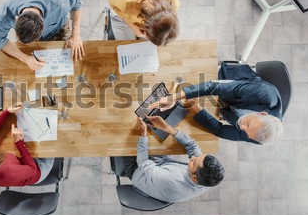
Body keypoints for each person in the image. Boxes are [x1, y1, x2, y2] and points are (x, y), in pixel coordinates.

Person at [149, 76, 284, 144]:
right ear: (262, 113)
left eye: (246, 131)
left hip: (228, 108)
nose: (241, 127)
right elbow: (213, 87)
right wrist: (174, 97)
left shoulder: (256, 134)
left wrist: (198, 110)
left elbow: (220, 130)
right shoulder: (262, 93)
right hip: (239, 87)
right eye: (247, 124)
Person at [121, 116, 224, 203]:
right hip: (161, 166)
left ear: (194, 178)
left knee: (125, 133)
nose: (193, 157)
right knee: (159, 133)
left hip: (137, 170)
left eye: (193, 162)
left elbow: (143, 163)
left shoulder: (169, 181)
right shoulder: (206, 180)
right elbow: (192, 146)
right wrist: (167, 128)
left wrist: (143, 134)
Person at [0, 0, 84, 71]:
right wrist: (26, 59)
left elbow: (77, 0)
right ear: (16, 19)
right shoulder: (4, 14)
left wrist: (75, 34)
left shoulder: (60, 3)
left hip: (58, 31)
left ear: (44, 23)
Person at [108, 0, 180, 45]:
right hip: (122, 15)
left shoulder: (174, 3)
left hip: (144, 22)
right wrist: (132, 26)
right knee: (128, 45)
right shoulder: (127, 4)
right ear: (145, 28)